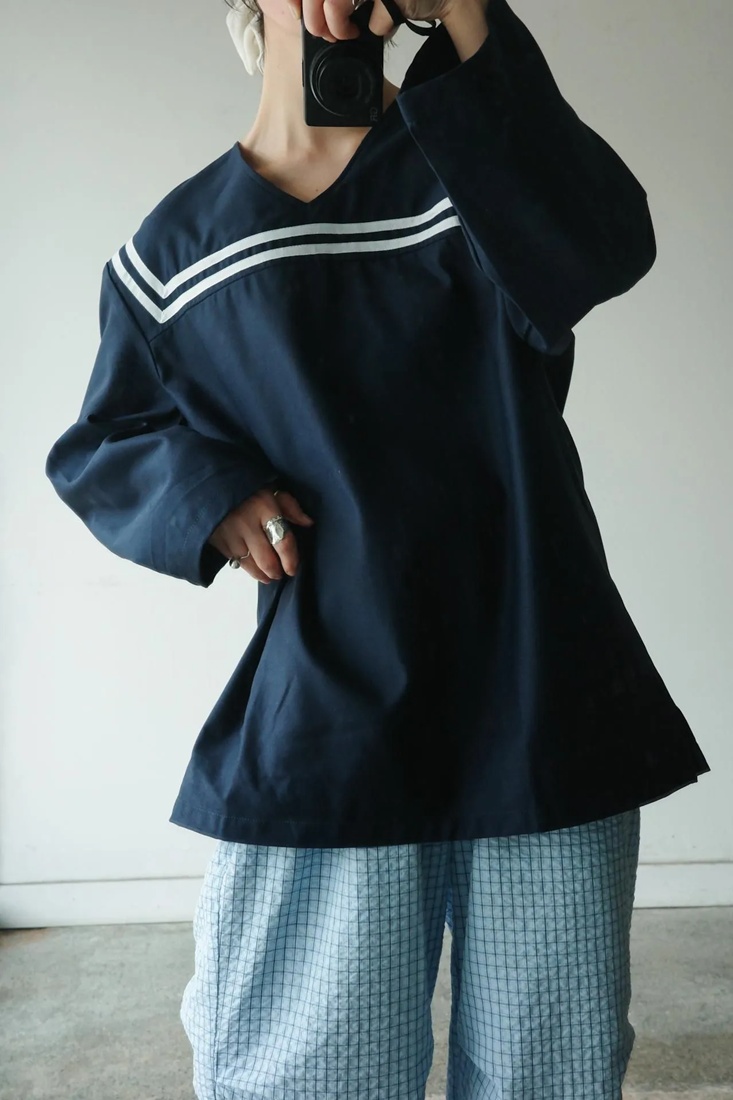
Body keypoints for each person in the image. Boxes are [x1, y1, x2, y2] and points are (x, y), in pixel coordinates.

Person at [45, 0, 711, 1095]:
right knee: (303, 1069)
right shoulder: (177, 251)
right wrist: (212, 493)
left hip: (540, 677)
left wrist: (466, 13)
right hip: (332, 704)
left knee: (551, 1066)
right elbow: (104, 442)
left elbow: (603, 246)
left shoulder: (478, 166)